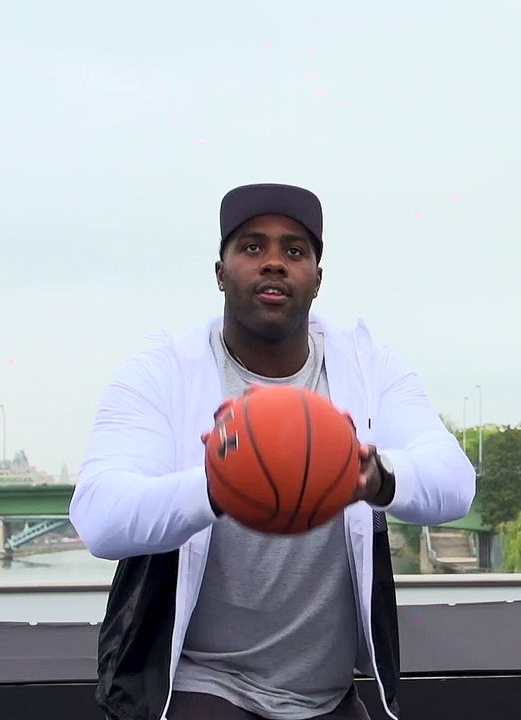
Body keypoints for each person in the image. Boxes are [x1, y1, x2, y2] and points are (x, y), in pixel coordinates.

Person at [70, 183, 476, 720]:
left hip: (327, 694)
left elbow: (455, 482)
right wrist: (218, 485)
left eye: (294, 251)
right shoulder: (161, 371)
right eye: (252, 247)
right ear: (220, 272)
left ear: (317, 279)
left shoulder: (369, 366)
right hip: (201, 682)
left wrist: (378, 476)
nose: (274, 264)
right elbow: (99, 516)